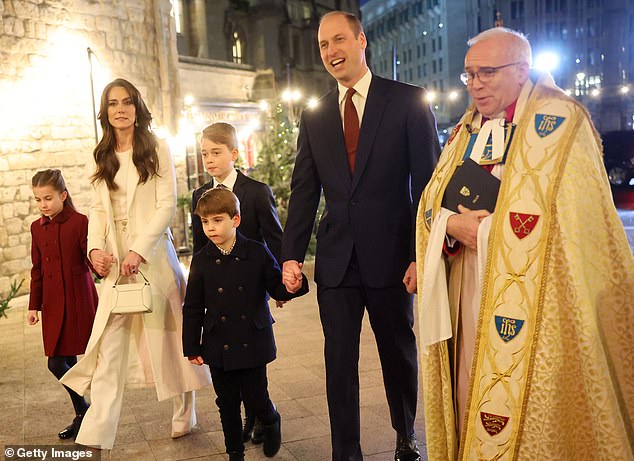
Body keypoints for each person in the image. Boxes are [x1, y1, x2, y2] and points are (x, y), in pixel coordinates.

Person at [415, 27, 634, 460]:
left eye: (487, 73)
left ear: (522, 70)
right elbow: (431, 200)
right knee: (468, 389)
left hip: (540, 304)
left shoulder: (561, 122)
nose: (475, 84)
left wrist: (475, 231)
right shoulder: (467, 128)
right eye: (469, 75)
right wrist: (445, 226)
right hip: (469, 289)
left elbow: (569, 224)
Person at [281, 11, 440, 461]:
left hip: (392, 257)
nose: (331, 52)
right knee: (338, 365)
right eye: (323, 46)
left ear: (361, 40)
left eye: (338, 40)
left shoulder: (407, 101)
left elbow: (427, 185)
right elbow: (303, 190)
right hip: (337, 261)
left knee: (398, 353)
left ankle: (405, 434)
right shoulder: (315, 115)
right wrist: (290, 256)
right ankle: (344, 451)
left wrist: (419, 255)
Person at [60, 78, 212, 449]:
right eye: (113, 103)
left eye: (126, 102)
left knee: (169, 338)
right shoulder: (100, 154)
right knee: (109, 343)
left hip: (154, 255)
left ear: (136, 107)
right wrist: (95, 250)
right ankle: (95, 433)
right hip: (114, 260)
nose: (120, 109)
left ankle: (184, 410)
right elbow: (97, 208)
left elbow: (166, 204)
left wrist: (139, 250)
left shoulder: (155, 147)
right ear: (105, 111)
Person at [182, 188, 309, 461]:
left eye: (217, 220)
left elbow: (277, 287)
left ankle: (270, 418)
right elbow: (192, 307)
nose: (211, 228)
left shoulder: (256, 251)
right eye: (205, 222)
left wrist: (293, 285)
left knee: (255, 397)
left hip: (252, 337)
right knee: (226, 403)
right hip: (219, 341)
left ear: (235, 219)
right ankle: (234, 454)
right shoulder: (202, 260)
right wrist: (192, 345)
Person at [191, 121, 285, 441]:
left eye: (215, 152)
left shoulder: (256, 192)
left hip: (252, 289)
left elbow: (274, 238)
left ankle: (260, 415)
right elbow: (199, 249)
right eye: (204, 154)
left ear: (233, 153)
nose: (209, 159)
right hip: (219, 294)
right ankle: (248, 418)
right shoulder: (199, 196)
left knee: (253, 363)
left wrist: (283, 279)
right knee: (230, 363)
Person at [28, 169, 98, 440]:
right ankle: (84, 411)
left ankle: (84, 414)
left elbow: (91, 259)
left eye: (47, 198)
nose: (43, 205)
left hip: (79, 300)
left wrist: (105, 263)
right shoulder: (36, 227)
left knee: (66, 362)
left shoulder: (80, 222)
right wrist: (33, 306)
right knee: (58, 362)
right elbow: (37, 270)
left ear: (63, 195)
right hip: (53, 305)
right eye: (38, 200)